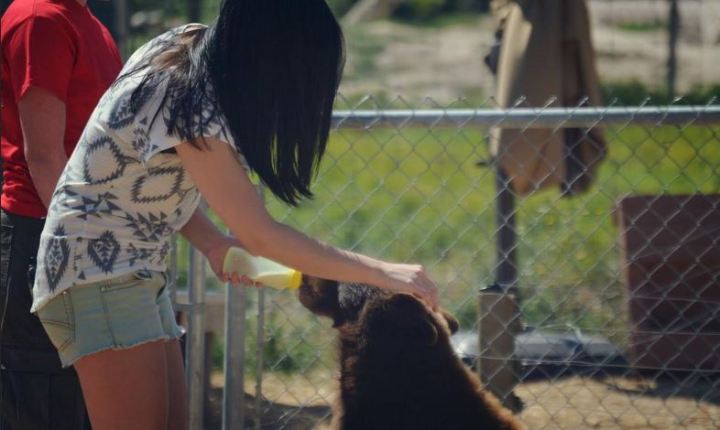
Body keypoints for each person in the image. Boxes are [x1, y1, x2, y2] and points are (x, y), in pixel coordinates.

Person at [30, 1, 438, 429]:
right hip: (97, 274)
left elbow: (138, 181)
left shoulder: (188, 48)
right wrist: (384, 273)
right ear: (273, 53)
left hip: (131, 271)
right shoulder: (188, 100)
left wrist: (212, 243)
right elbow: (260, 235)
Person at [0, 0, 122, 428]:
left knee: (76, 405)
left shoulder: (87, 21)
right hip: (47, 236)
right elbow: (45, 157)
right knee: (44, 405)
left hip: (80, 237)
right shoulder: (40, 18)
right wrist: (94, 249)